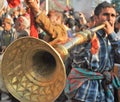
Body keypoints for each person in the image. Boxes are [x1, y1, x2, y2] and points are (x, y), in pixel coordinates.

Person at [64, 1, 120, 102]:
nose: (110, 18)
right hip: (85, 93)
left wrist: (112, 35)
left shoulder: (113, 38)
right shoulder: (86, 36)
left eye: (113, 15)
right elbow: (75, 59)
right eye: (105, 14)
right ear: (96, 18)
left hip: (104, 93)